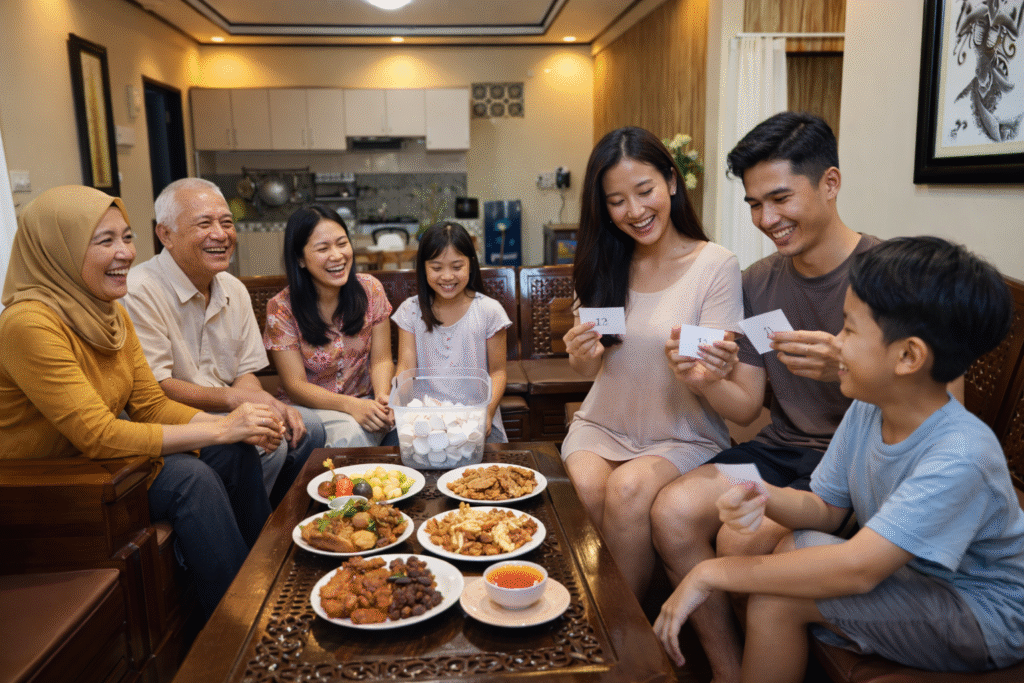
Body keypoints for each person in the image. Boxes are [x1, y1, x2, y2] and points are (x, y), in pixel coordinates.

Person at [654, 236, 1024, 680]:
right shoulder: (871, 404)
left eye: (848, 329)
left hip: (979, 614)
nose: (836, 343)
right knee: (786, 567)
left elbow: (860, 569)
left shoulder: (961, 454)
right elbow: (826, 509)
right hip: (914, 576)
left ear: (907, 356)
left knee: (778, 595)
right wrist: (757, 491)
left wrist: (711, 572)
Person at [648, 112, 885, 681]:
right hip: (780, 447)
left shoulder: (887, 274)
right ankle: (727, 667)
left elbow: (930, 402)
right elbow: (748, 407)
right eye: (755, 204)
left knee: (737, 535)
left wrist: (846, 366)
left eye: (779, 198)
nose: (767, 219)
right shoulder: (757, 282)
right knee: (672, 510)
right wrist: (702, 378)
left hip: (852, 464)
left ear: (830, 183)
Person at [0, 185, 284, 619]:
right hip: (49, 480)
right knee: (193, 479)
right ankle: (237, 623)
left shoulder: (109, 311)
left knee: (234, 451)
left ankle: (270, 581)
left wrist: (237, 426)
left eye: (127, 238)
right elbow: (97, 434)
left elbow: (150, 405)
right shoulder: (29, 324)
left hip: (105, 463)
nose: (126, 253)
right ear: (58, 249)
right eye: (105, 241)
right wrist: (222, 425)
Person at [559, 126, 744, 600]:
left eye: (645, 191)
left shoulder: (715, 266)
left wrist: (707, 372)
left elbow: (721, 376)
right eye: (617, 201)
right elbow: (588, 370)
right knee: (581, 484)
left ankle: (626, 632)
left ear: (672, 182)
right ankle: (596, 608)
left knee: (627, 490)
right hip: (603, 422)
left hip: (681, 431)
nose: (635, 211)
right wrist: (581, 355)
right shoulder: (600, 262)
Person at [122, 178, 325, 508]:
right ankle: (256, 536)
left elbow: (245, 372)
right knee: (250, 444)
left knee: (307, 430)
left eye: (226, 222)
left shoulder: (233, 288)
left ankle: (279, 524)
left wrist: (258, 405)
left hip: (226, 411)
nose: (220, 234)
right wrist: (237, 402)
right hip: (176, 422)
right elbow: (157, 388)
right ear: (165, 235)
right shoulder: (139, 291)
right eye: (204, 223)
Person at [264, 204, 395, 447]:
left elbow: (381, 361)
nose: (337, 256)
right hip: (311, 411)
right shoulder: (281, 308)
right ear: (300, 259)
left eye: (342, 244)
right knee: (351, 434)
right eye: (323, 248)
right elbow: (295, 386)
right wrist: (351, 406)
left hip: (365, 401)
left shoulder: (371, 290)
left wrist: (382, 398)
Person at [392, 221, 510, 442]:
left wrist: (488, 411)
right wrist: (396, 401)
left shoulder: (489, 310)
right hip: (423, 420)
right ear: (423, 267)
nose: (447, 276)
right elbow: (405, 367)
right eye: (437, 268)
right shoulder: (410, 310)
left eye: (457, 267)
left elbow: (498, 372)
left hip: (476, 416)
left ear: (471, 265)